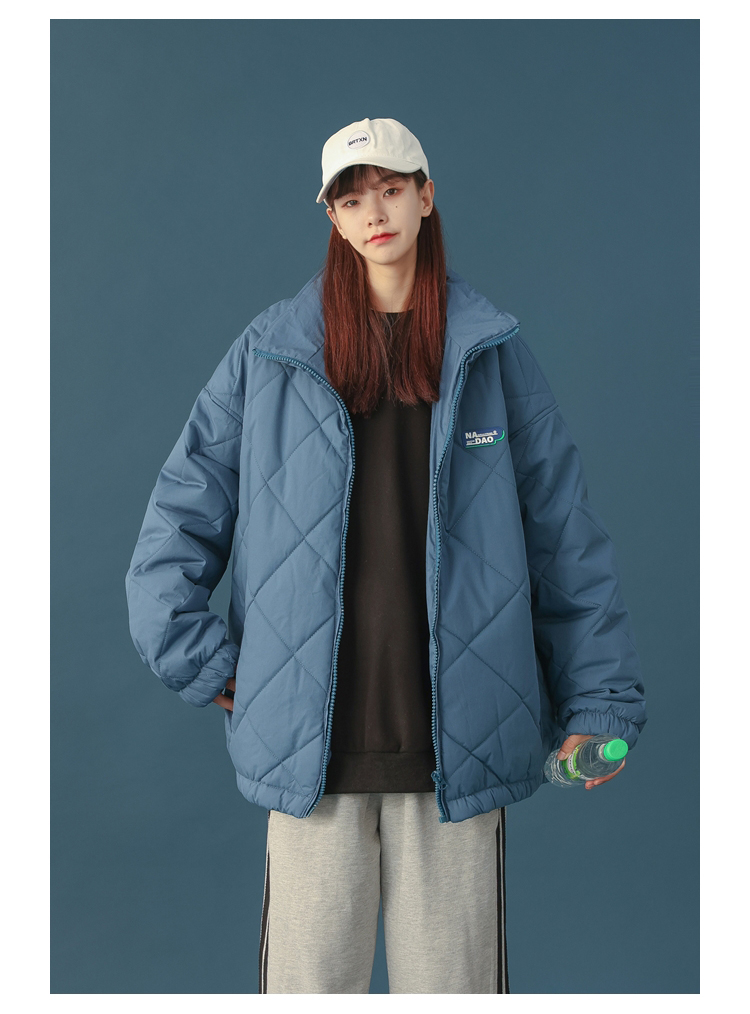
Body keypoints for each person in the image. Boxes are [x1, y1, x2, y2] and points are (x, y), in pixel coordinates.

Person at [125, 116, 647, 994]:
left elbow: (565, 536)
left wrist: (599, 700)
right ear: (331, 218)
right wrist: (202, 659)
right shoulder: (269, 355)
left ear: (427, 198)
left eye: (392, 190)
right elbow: (175, 523)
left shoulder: (493, 355)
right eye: (352, 199)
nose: (374, 212)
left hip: (460, 747)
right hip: (310, 753)